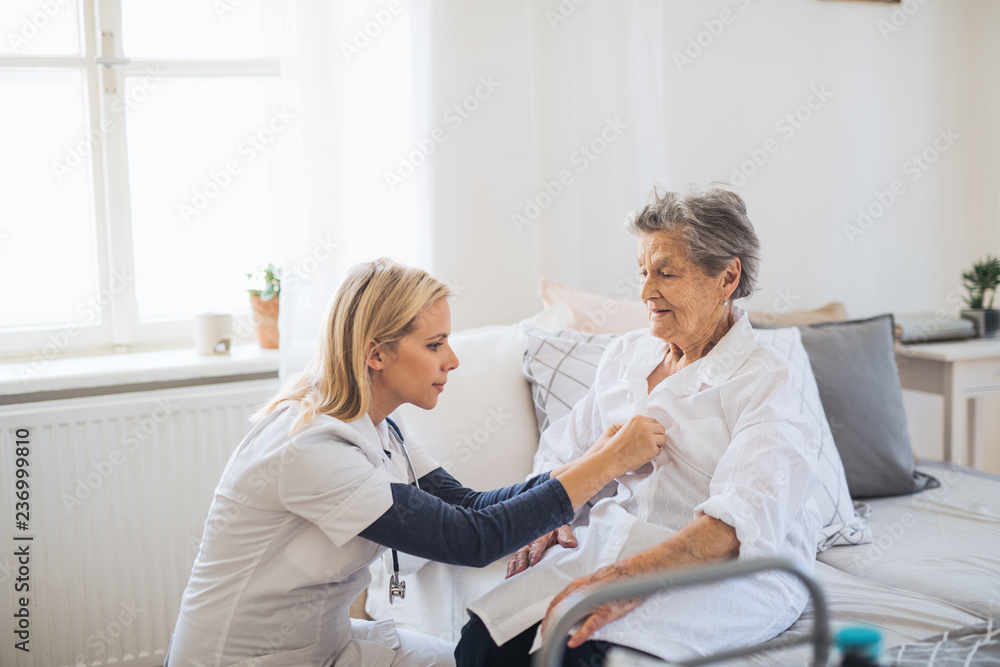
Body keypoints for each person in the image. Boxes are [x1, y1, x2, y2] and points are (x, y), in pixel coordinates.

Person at [165, 258, 666, 667]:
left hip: (327, 646)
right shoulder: (311, 450)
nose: (452, 359)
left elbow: (469, 505)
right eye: (434, 345)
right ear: (376, 354)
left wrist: (588, 461)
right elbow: (470, 539)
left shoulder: (377, 425)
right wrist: (604, 466)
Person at [455, 184, 824, 666]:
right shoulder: (627, 355)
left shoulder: (765, 379)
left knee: (580, 655)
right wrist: (547, 515)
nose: (647, 291)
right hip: (612, 541)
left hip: (721, 570)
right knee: (481, 644)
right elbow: (563, 453)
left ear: (727, 277)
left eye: (667, 273)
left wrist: (623, 581)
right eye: (644, 272)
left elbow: (734, 527)